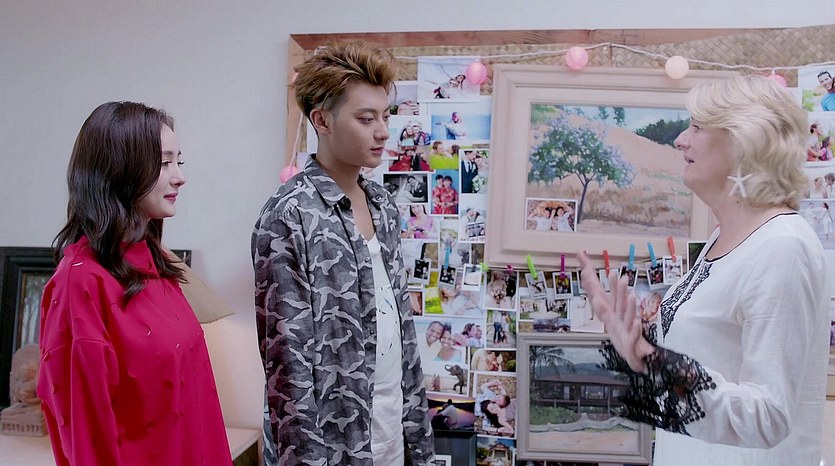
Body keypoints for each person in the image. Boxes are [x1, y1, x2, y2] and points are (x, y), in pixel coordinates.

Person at [578, 76, 829, 465]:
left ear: (745, 142)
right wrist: (636, 341)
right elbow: (709, 357)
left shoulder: (782, 246)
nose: (680, 140)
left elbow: (768, 415)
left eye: (697, 127)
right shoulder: (721, 238)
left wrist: (653, 358)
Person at [252, 41, 434, 465]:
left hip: (392, 428)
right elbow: (288, 365)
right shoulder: (288, 216)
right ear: (322, 120)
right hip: (332, 442)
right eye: (366, 119)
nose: (383, 131)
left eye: (385, 116)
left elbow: (401, 331)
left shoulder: (383, 206)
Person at [37, 102, 231, 465]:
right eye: (164, 163)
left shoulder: (158, 266)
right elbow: (87, 435)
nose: (179, 177)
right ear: (120, 169)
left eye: (178, 162)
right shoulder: (82, 282)